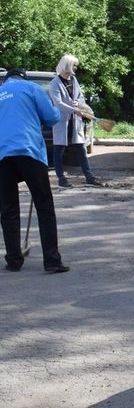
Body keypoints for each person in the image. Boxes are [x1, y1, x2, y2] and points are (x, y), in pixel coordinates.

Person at [0, 68, 70, 273]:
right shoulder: (31, 88)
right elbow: (52, 116)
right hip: (30, 151)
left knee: (8, 209)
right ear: (23, 77)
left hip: (3, 156)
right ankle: (52, 261)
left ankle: (13, 260)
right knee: (44, 205)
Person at [49, 54, 102, 188]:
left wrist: (79, 102)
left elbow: (81, 97)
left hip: (75, 122)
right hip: (62, 121)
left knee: (81, 149)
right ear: (67, 65)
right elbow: (58, 103)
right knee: (59, 150)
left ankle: (89, 177)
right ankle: (61, 179)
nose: (76, 68)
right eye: (74, 65)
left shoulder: (74, 80)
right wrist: (74, 110)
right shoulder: (55, 82)